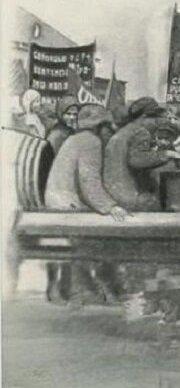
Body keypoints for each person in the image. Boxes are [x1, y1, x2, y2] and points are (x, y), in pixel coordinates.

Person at [44, 104, 130, 307]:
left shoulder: (74, 139)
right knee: (98, 241)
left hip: (56, 198)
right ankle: (90, 291)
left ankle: (83, 291)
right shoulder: (91, 142)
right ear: (100, 126)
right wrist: (110, 207)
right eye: (107, 126)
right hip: (67, 202)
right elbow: (89, 181)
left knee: (82, 245)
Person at [104, 97, 180, 211]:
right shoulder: (141, 132)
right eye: (156, 119)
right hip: (130, 195)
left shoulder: (125, 131)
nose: (158, 123)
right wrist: (167, 154)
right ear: (144, 117)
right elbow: (136, 160)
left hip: (113, 192)